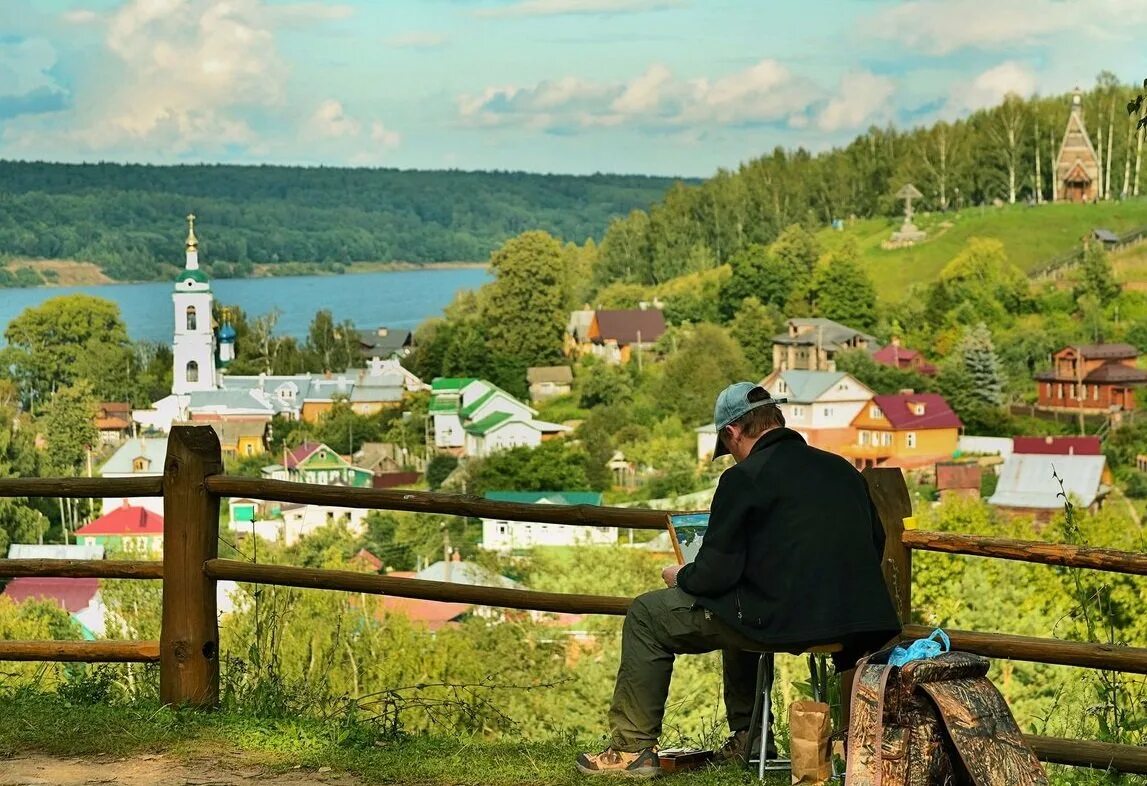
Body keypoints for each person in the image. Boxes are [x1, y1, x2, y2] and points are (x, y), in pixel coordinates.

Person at [576, 382, 901, 777]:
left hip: (779, 622)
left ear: (732, 433)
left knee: (647, 613)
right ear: (776, 420)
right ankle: (750, 740)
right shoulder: (844, 471)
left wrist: (681, 574)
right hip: (855, 625)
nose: (730, 457)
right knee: (737, 609)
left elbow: (714, 574)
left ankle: (630, 751)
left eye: (727, 448)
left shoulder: (743, 479)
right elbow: (876, 542)